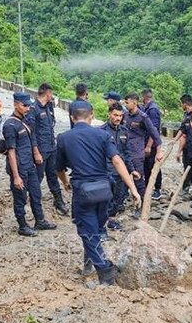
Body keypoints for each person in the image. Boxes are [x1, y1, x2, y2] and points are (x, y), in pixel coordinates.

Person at [55, 100, 141, 285]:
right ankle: (88, 266)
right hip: (104, 191)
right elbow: (118, 161)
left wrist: (65, 183)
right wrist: (133, 188)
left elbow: (59, 169)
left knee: (88, 233)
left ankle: (106, 272)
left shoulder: (64, 138)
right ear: (91, 115)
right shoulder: (102, 135)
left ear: (72, 117)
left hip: (83, 193)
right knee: (94, 229)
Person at [3, 92, 57, 236]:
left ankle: (40, 220)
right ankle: (22, 226)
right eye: (24, 105)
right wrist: (16, 176)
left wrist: (36, 153)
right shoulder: (10, 125)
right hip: (19, 168)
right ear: (15, 104)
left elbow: (32, 138)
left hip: (30, 165)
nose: (27, 108)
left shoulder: (26, 120)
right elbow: (11, 152)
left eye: (28, 105)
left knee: (36, 193)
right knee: (20, 198)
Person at [26, 83, 68, 215]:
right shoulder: (33, 109)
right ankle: (34, 205)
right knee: (37, 178)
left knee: (53, 176)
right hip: (40, 151)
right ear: (47, 94)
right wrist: (36, 152)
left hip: (51, 148)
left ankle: (58, 201)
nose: (52, 96)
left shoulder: (49, 107)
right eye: (51, 94)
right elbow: (31, 133)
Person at [101, 102, 140, 231]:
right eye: (115, 115)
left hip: (121, 172)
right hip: (107, 171)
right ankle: (101, 224)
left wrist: (132, 170)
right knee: (106, 197)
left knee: (120, 196)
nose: (118, 118)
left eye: (120, 116)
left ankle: (112, 219)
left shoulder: (124, 131)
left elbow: (127, 153)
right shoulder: (101, 131)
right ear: (109, 114)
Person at [124, 92, 163, 205]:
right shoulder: (125, 116)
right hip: (125, 153)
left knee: (139, 181)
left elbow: (155, 134)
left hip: (137, 154)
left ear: (134, 102)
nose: (125, 105)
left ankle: (142, 205)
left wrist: (158, 152)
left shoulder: (143, 117)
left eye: (127, 102)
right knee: (122, 179)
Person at [141, 89, 164, 200]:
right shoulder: (146, 108)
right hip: (146, 143)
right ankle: (147, 188)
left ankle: (157, 190)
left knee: (153, 166)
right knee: (146, 166)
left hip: (152, 144)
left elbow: (154, 129)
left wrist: (149, 146)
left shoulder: (153, 110)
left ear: (144, 97)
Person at [177, 94, 192, 196]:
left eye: (181, 104)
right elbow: (182, 130)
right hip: (186, 148)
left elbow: (184, 135)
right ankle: (186, 188)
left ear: (185, 104)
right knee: (186, 167)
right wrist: (175, 141)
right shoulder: (186, 115)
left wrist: (178, 150)